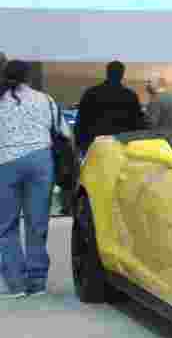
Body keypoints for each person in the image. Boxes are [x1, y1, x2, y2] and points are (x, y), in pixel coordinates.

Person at [0, 60, 72, 298]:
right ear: (28, 77)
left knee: (6, 226)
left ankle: (16, 283)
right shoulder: (45, 99)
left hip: (5, 162)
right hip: (41, 162)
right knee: (37, 222)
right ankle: (37, 282)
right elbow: (64, 132)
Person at [75, 61, 148, 156]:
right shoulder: (130, 96)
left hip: (95, 146)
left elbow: (81, 121)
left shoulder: (91, 93)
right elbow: (138, 124)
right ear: (122, 74)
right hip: (121, 146)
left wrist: (80, 144)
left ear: (107, 73)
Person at [144, 72, 172, 136]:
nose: (146, 85)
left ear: (156, 83)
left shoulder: (156, 99)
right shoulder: (171, 97)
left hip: (159, 136)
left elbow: (151, 123)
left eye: (149, 82)